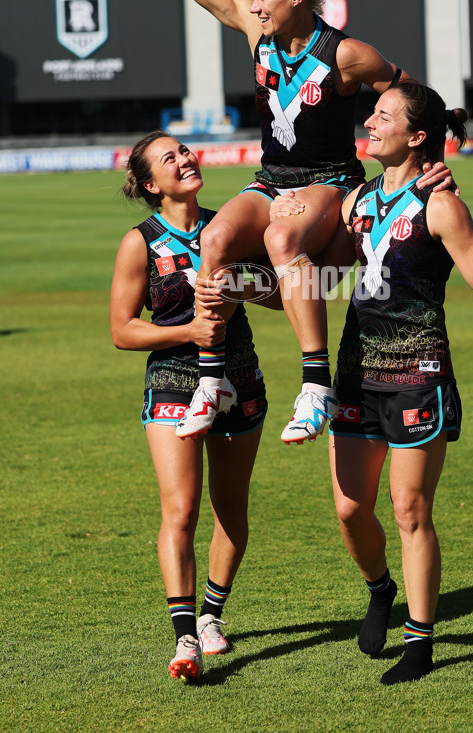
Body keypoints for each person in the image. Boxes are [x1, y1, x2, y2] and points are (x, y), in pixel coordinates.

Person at [98, 0, 453, 446]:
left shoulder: (346, 55)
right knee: (211, 241)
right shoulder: (255, 32)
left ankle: (316, 385)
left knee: (285, 242)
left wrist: (427, 163)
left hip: (330, 183)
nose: (254, 3)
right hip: (271, 180)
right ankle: (214, 381)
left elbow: (416, 102)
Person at [275, 80, 473, 684]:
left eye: (382, 115)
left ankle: (420, 644)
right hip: (355, 374)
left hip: (417, 374)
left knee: (410, 509)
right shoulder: (357, 201)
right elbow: (319, 280)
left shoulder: (442, 205)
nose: (369, 121)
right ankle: (379, 588)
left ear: (416, 137)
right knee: (348, 509)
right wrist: (283, 225)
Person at [110, 131, 268, 681]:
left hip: (241, 375)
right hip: (175, 381)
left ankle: (211, 616)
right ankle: (184, 637)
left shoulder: (231, 225)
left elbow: (276, 287)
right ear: (152, 184)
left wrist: (240, 286)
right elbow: (122, 330)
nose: (185, 159)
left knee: (232, 507)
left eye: (185, 150)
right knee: (181, 510)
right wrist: (188, 332)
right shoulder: (141, 242)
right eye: (169, 158)